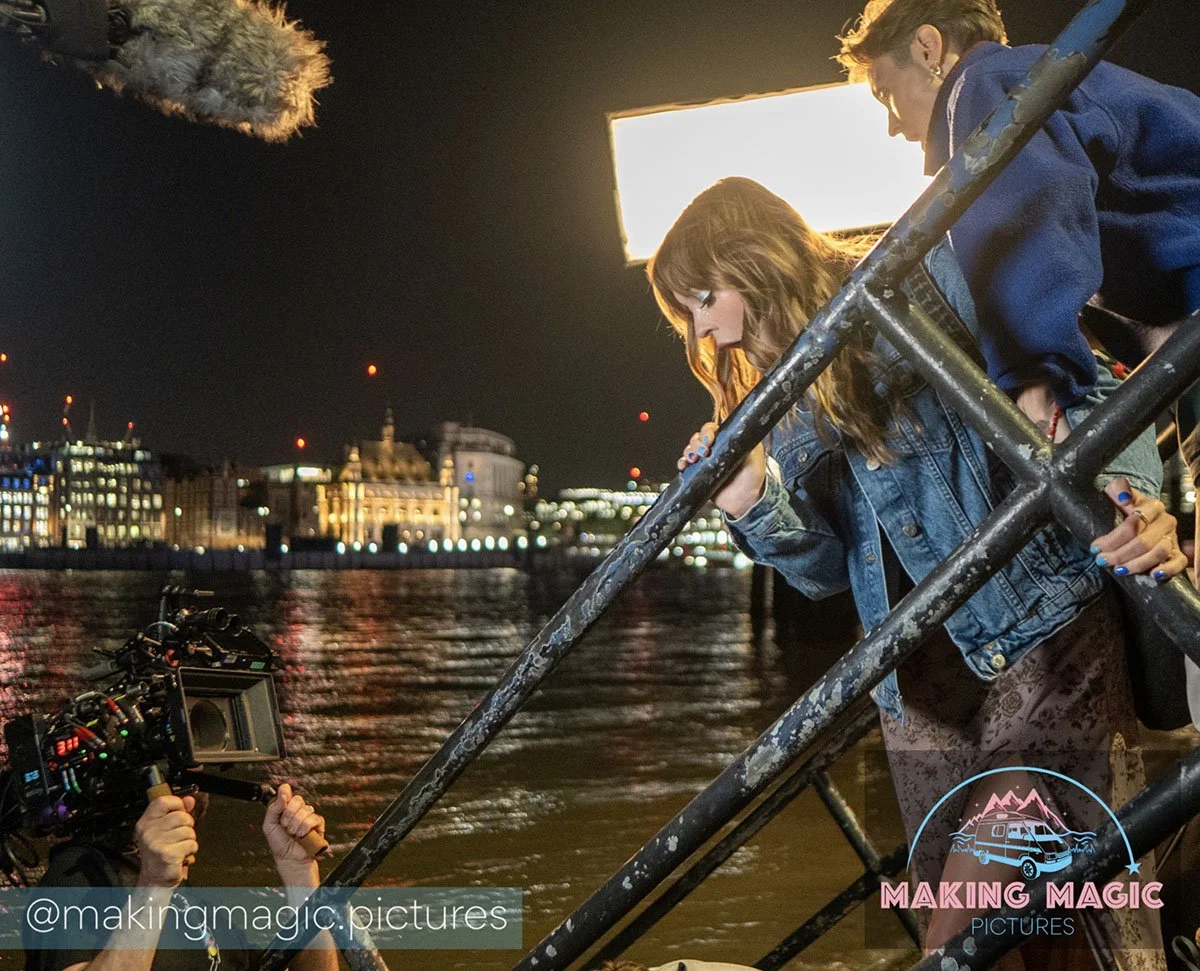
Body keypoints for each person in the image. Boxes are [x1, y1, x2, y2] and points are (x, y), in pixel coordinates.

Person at [649, 177, 1181, 968]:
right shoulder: (778, 395)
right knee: (1040, 933)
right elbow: (827, 573)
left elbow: (1086, 382)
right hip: (917, 699)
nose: (705, 334)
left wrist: (1134, 498)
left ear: (749, 258)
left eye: (701, 301)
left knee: (963, 937)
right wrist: (753, 497)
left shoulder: (929, 277)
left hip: (1042, 642)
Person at [835, 0, 1200, 588]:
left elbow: (1028, 213)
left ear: (929, 49)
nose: (893, 124)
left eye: (885, 94)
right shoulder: (1037, 79)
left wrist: (1035, 381)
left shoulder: (985, 85)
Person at [24, 781, 336, 971]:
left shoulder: (207, 913)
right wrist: (155, 885)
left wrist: (299, 875)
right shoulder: (81, 873)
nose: (189, 795)